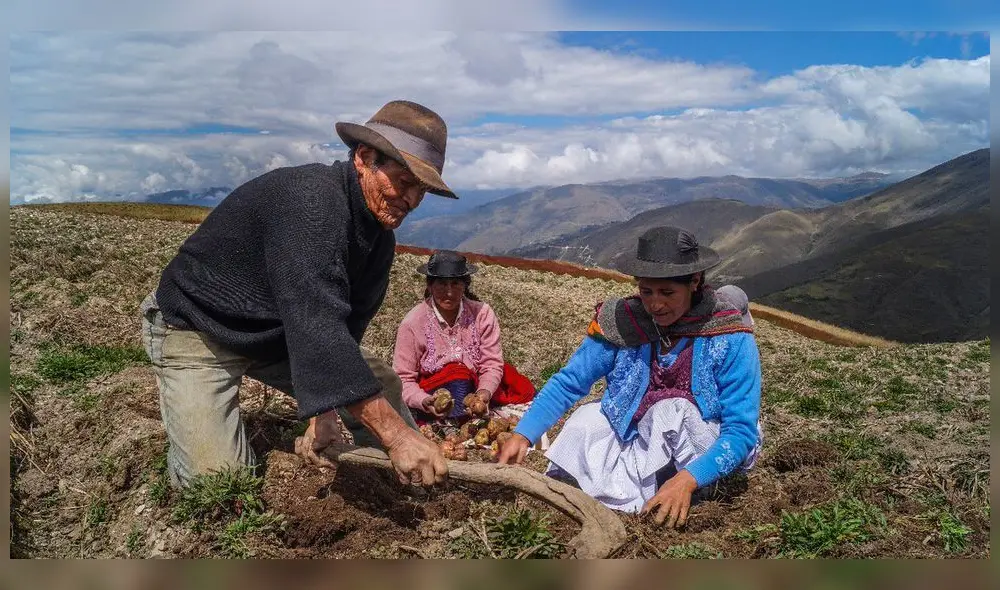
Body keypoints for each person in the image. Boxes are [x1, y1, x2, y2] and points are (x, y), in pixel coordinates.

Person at [140, 100, 455, 489]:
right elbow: (317, 329)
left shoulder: (378, 241)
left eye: (420, 191)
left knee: (381, 383)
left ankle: (403, 484)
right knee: (217, 483)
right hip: (197, 328)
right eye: (404, 183)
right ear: (364, 157)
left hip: (279, 333)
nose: (410, 201)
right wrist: (398, 436)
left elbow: (342, 331)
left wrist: (321, 409)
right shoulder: (310, 204)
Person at [497, 226, 763, 529]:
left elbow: (740, 431)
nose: (655, 305)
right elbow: (571, 381)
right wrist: (523, 434)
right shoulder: (623, 323)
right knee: (588, 419)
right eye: (646, 291)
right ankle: (635, 490)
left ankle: (694, 492)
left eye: (667, 293)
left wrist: (689, 480)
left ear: (695, 282)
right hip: (641, 434)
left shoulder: (728, 335)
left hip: (704, 443)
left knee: (672, 410)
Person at [393, 250, 536, 425]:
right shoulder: (412, 323)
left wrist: (484, 394)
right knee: (457, 374)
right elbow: (402, 378)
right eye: (441, 284)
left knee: (515, 382)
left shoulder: (482, 314)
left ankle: (465, 414)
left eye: (455, 284)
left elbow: (491, 363)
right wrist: (423, 400)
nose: (449, 292)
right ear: (429, 286)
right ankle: (453, 417)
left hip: (476, 387)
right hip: (434, 393)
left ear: (465, 285)